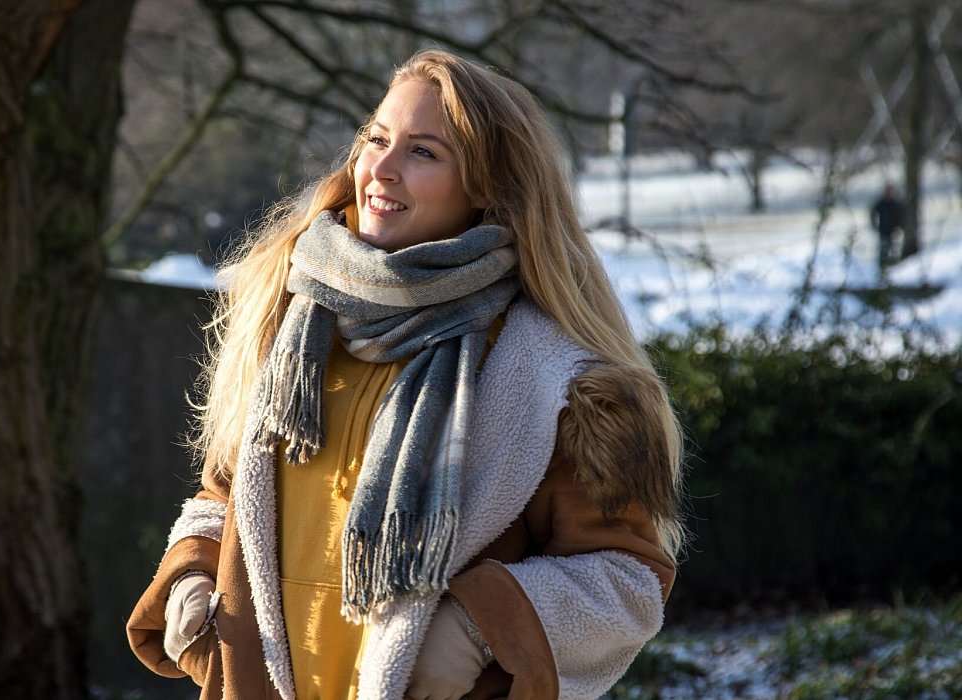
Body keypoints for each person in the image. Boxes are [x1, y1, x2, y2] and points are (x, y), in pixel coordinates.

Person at [126, 49, 685, 700]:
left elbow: (626, 580)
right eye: (376, 139)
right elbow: (229, 496)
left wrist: (478, 627)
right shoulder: (287, 321)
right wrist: (192, 577)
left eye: (423, 152)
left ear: (486, 187)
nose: (382, 169)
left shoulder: (555, 377)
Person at [870, 184, 904, 270]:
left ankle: (894, 267)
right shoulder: (881, 204)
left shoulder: (895, 204)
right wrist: (874, 225)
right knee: (883, 249)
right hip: (883, 230)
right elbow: (873, 213)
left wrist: (899, 227)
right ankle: (882, 267)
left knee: (894, 250)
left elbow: (901, 216)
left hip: (893, 230)